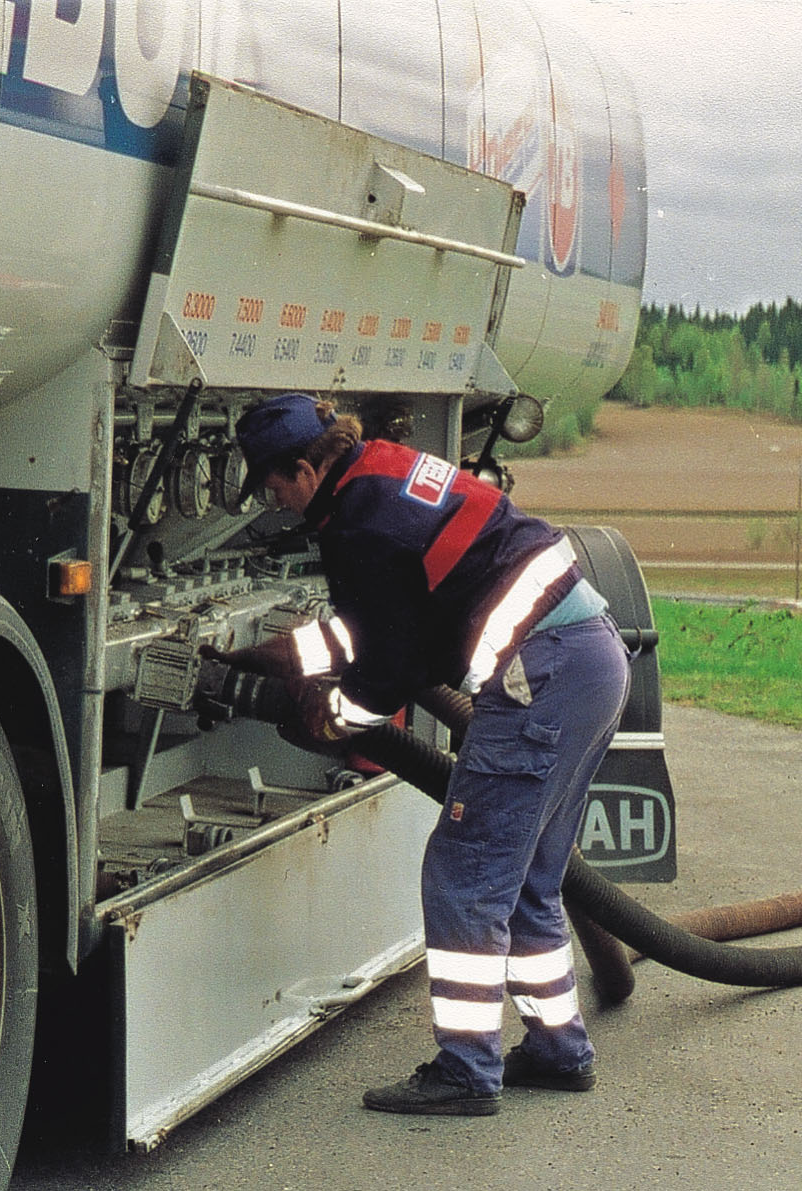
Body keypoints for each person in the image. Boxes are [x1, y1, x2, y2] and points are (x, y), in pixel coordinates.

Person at [230, 391, 630, 1116]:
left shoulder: (360, 524)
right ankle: (557, 1049)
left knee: (465, 871)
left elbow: (393, 660)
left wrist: (336, 716)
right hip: (590, 656)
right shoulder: (377, 476)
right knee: (532, 877)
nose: (272, 499)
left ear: (303, 468)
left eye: (273, 482)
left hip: (540, 673)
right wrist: (280, 652)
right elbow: (388, 619)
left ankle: (467, 1069)